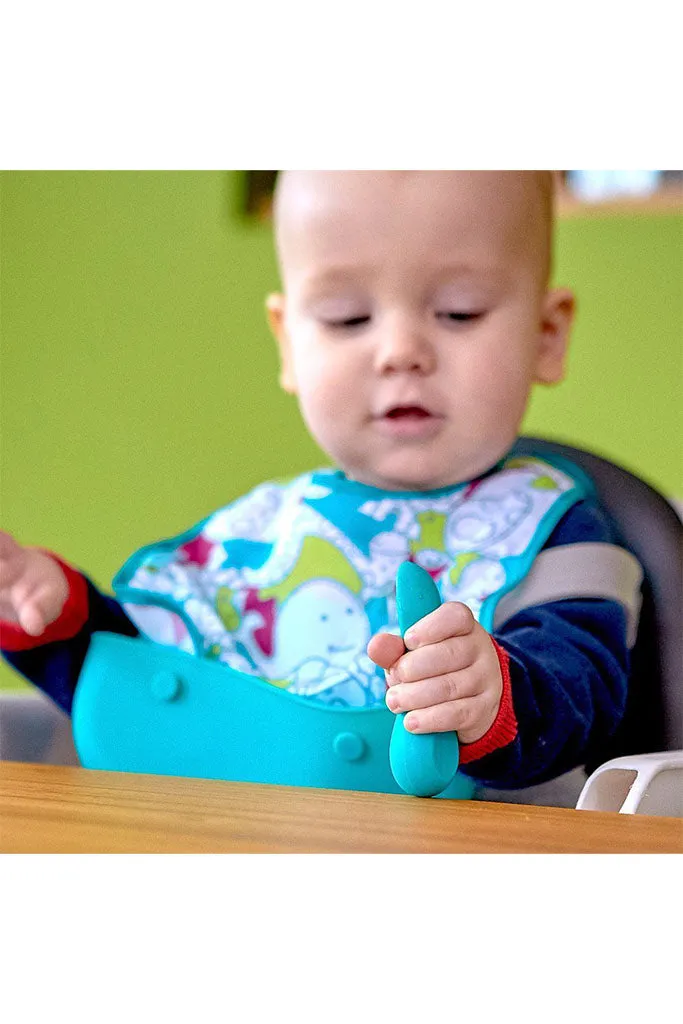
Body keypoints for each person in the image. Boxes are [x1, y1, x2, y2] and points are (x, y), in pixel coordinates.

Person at [0, 171, 638, 792]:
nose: (400, 349)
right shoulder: (262, 534)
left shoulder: (553, 526)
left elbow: (585, 692)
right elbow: (150, 697)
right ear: (288, 345)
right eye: (347, 317)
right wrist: (52, 618)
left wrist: (490, 691)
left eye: (458, 312)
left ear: (546, 335)